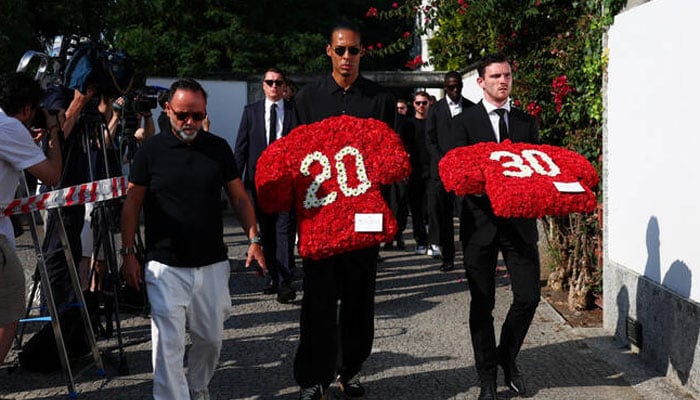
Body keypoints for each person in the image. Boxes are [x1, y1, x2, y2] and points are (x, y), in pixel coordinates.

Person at [120, 78, 266, 400]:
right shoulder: (151, 152)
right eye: (183, 115)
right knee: (167, 345)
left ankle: (198, 387)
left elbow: (240, 199)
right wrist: (128, 253)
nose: (190, 123)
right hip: (164, 266)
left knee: (211, 339)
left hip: (212, 264)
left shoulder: (217, 148)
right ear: (168, 109)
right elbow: (132, 202)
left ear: (205, 113)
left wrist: (255, 239)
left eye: (197, 116)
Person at [292, 21, 395, 400]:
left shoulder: (379, 100)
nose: (347, 57)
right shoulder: (307, 99)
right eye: (340, 50)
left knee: (359, 301)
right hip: (321, 217)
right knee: (317, 301)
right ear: (328, 51)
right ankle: (311, 379)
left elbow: (390, 160)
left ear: (362, 53)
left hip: (363, 218)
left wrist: (387, 218)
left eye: (353, 50)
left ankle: (348, 371)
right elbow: (297, 159)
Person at [449, 53, 540, 400]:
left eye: (507, 75)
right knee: (482, 303)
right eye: (496, 76)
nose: (503, 81)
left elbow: (535, 171)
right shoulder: (464, 123)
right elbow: (457, 175)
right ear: (481, 81)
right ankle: (487, 376)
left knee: (529, 296)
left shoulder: (525, 123)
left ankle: (507, 356)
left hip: (519, 225)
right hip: (480, 225)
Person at [0, 72, 63, 364]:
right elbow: (52, 175)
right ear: (27, 108)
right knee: (9, 310)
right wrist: (53, 130)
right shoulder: (10, 127)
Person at [234, 67, 297, 304]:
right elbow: (241, 147)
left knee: (284, 231)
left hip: (286, 182)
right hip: (260, 183)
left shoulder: (293, 112)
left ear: (284, 86)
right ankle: (273, 275)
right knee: (267, 231)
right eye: (269, 82)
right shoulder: (251, 112)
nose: (273, 86)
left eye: (278, 83)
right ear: (263, 85)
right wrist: (234, 181)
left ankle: (285, 282)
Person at [425, 71, 475, 271]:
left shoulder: (471, 108)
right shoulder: (435, 110)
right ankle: (448, 257)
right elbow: (430, 139)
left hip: (464, 172)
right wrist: (444, 161)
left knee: (467, 215)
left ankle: (470, 256)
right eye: (451, 87)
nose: (455, 91)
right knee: (444, 217)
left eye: (457, 86)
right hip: (441, 173)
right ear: (445, 88)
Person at [400, 91, 432, 254]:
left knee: (431, 208)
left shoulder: (433, 123)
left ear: (429, 103)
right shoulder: (407, 124)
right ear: (413, 104)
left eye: (424, 103)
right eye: (418, 103)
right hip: (414, 171)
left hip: (431, 169)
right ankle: (420, 241)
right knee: (417, 209)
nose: (421, 106)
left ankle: (433, 242)